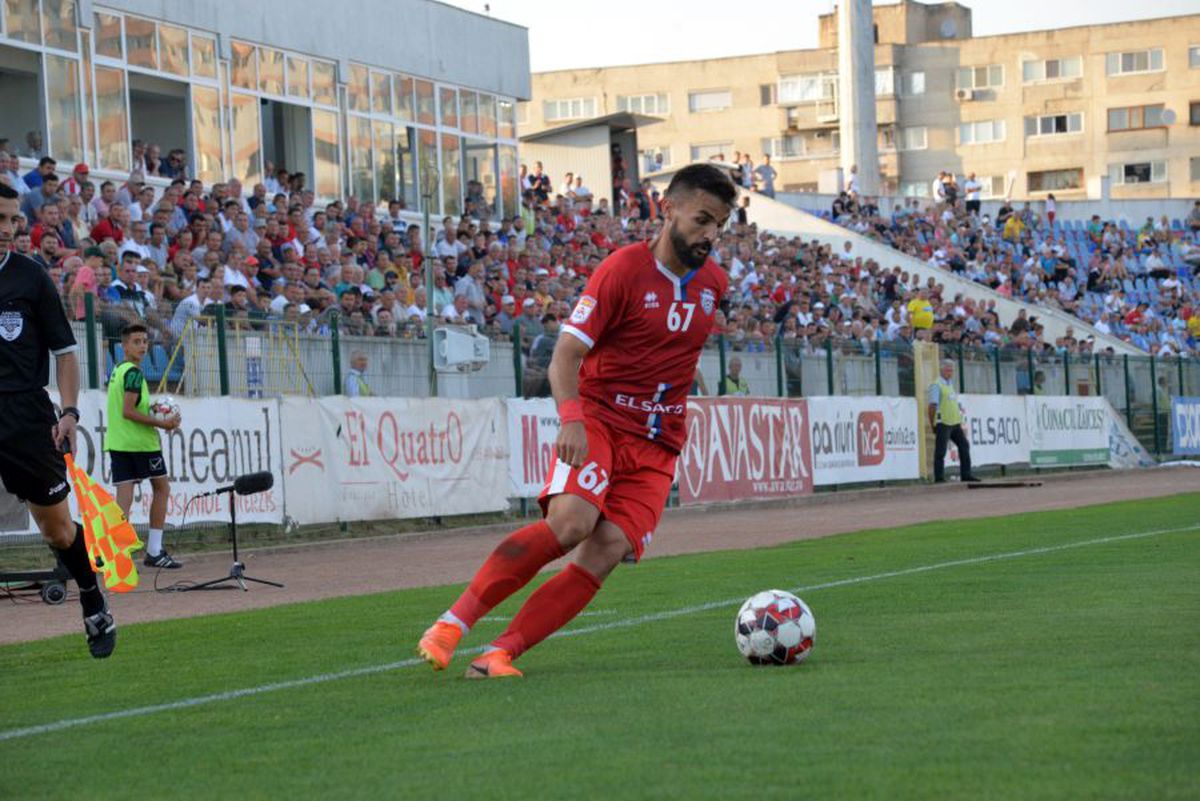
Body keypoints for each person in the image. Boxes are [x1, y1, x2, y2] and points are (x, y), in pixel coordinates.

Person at [416, 163, 737, 678]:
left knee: (606, 550)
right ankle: (453, 623)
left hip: (658, 444)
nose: (711, 235)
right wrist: (571, 419)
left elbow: (671, 348)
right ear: (667, 209)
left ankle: (499, 653)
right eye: (702, 220)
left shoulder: (714, 283)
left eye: (719, 224)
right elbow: (565, 355)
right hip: (601, 421)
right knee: (570, 524)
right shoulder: (621, 271)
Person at [0, 182, 115, 657]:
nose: (8, 228)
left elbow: (66, 353)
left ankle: (91, 596)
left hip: (25, 417)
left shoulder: (30, 278)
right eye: (0, 218)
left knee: (58, 531)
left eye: (12, 219)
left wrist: (68, 411)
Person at [105, 323, 183, 569]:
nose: (142, 346)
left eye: (145, 341)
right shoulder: (134, 374)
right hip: (141, 444)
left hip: (119, 443)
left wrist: (152, 410)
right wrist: (163, 423)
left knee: (123, 500)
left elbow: (129, 407)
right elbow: (128, 412)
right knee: (162, 488)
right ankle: (154, 551)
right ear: (124, 346)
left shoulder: (118, 370)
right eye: (136, 342)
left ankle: (116, 554)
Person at [928, 359, 979, 484]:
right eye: (947, 370)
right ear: (941, 370)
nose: (950, 373)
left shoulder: (949, 384)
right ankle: (939, 477)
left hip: (954, 422)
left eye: (951, 370)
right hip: (943, 422)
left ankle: (966, 474)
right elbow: (932, 406)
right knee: (941, 451)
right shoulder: (936, 385)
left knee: (964, 445)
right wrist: (933, 423)